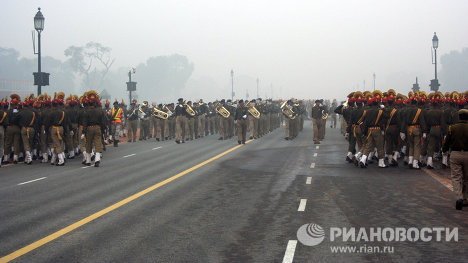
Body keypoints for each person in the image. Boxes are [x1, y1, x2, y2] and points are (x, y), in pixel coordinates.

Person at [442, 109, 468, 210]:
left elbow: (447, 141)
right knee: (467, 178)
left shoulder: (452, 128)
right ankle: (466, 198)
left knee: (456, 177)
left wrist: (444, 150)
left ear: (458, 117)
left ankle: (459, 198)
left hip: (455, 154)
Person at [83, 93, 106, 167]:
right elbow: (103, 122)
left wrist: (83, 131)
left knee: (88, 144)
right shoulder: (100, 111)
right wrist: (103, 130)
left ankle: (88, 161)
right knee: (97, 143)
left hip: (89, 128)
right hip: (97, 127)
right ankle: (97, 159)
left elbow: (85, 122)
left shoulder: (86, 111)